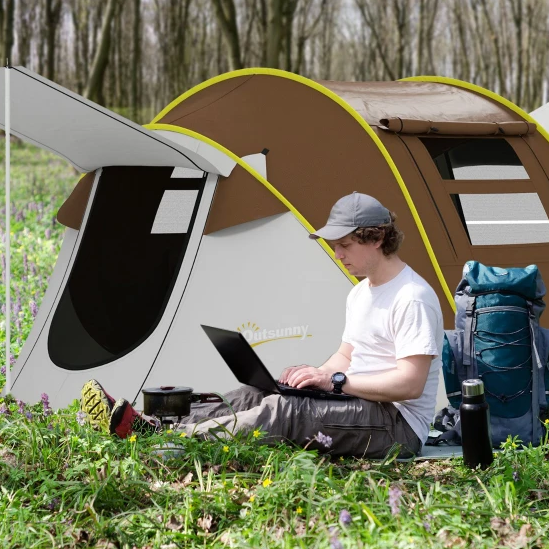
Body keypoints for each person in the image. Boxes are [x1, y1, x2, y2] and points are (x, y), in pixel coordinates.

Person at [81, 192, 444, 458]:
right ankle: (154, 426)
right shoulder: (361, 293)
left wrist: (335, 382)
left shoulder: (411, 296)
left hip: (397, 425)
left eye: (345, 245)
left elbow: (410, 384)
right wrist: (313, 374)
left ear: (378, 238)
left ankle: (172, 446)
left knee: (286, 411)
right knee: (259, 393)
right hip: (358, 400)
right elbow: (346, 355)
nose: (338, 255)